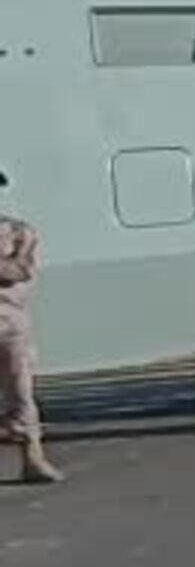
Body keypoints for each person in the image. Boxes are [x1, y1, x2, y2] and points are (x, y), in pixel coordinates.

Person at [1, 177, 64, 484]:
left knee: (22, 394)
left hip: (11, 327)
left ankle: (33, 459)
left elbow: (19, 270)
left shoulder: (19, 232)